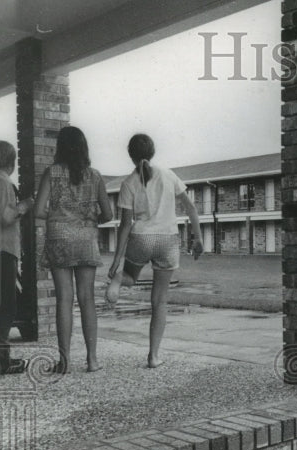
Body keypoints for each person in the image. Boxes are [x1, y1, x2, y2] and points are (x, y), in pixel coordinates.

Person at [106, 134, 202, 367]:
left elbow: (126, 225)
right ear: (153, 151)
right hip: (168, 241)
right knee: (159, 301)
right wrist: (197, 237)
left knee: (130, 276)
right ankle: (153, 356)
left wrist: (116, 262)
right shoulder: (168, 175)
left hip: (142, 238)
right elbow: (190, 207)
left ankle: (120, 279)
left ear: (130, 155)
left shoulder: (129, 183)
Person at [34, 126, 112, 373]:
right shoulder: (95, 175)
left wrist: (58, 215)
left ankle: (65, 361)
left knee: (64, 300)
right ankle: (92, 360)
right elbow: (108, 214)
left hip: (59, 237)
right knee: (87, 298)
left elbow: (37, 211)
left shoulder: (52, 173)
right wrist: (87, 219)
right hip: (86, 238)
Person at [0, 141, 34, 374]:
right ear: (11, 163)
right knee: (6, 306)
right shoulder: (3, 183)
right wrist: (26, 204)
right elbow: (6, 217)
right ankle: (1, 361)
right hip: (2, 251)